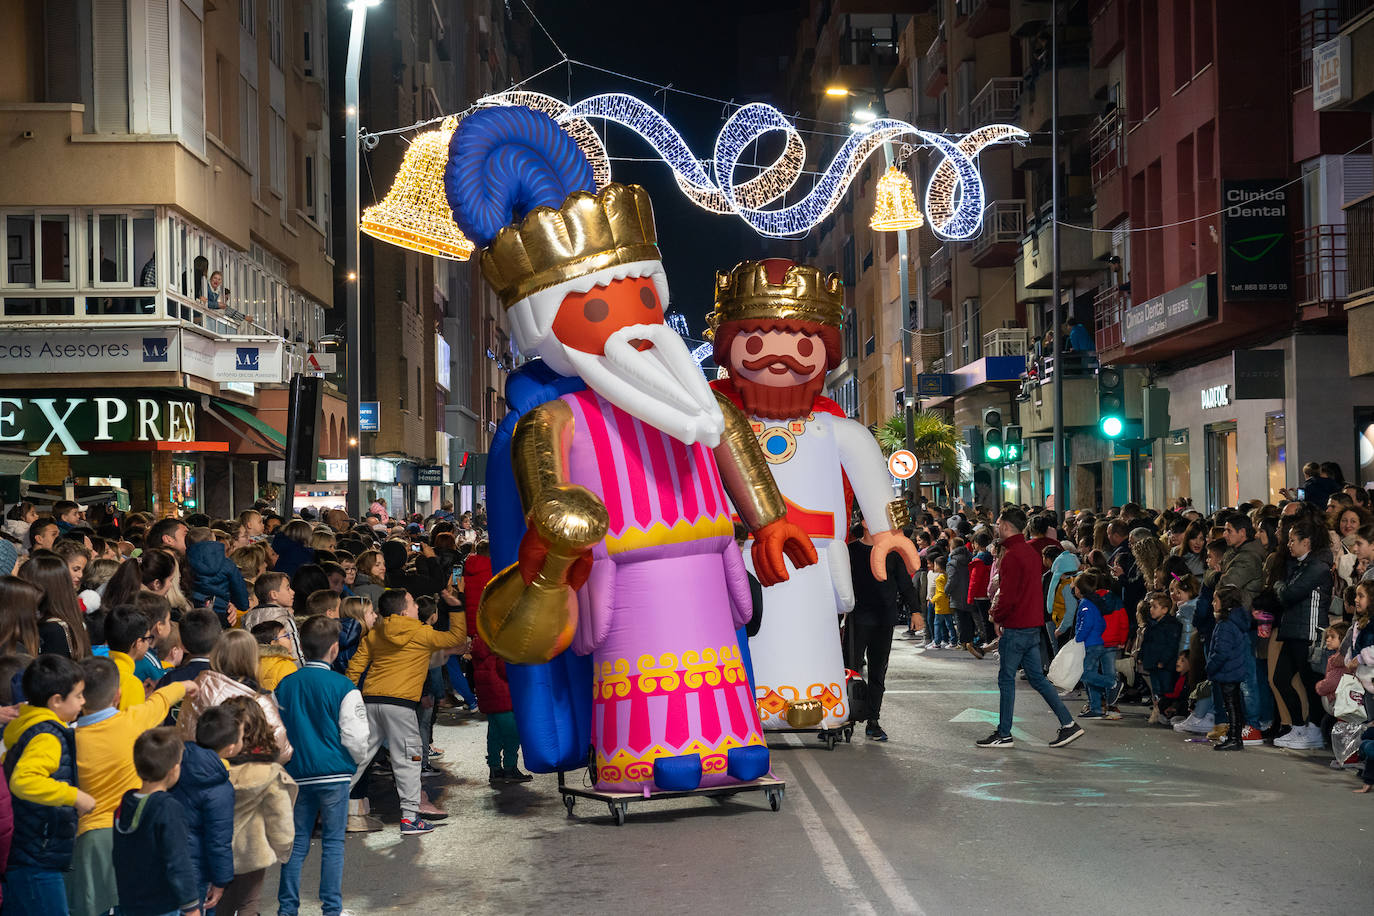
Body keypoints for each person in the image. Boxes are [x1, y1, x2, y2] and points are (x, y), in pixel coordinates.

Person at [68, 656, 193, 916]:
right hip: (134, 829)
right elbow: (160, 700)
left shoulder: (70, 740)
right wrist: (187, 686)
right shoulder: (133, 720)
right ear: (118, 695)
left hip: (89, 838)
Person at [345, 588, 466, 836]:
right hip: (401, 706)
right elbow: (456, 638)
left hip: (371, 702)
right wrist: (456, 608)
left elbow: (355, 668)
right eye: (412, 603)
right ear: (403, 612)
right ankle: (410, 819)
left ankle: (325, 806)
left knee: (359, 758)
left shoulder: (375, 634)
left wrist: (348, 699)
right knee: (409, 761)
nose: (416, 607)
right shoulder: (422, 633)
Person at [275, 616, 370, 916]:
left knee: (296, 843)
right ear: (334, 648)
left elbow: (275, 731)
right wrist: (353, 763)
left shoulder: (284, 686)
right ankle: (331, 909)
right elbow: (357, 737)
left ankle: (287, 909)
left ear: (302, 647)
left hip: (296, 773)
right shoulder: (344, 686)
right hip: (334, 773)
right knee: (333, 843)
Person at [976, 507, 1085, 749]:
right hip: (1032, 624)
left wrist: (997, 617)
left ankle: (1004, 733)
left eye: (998, 524)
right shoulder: (1029, 552)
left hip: (1016, 625)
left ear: (1006, 526)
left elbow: (1008, 595)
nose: (996, 528)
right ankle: (1068, 723)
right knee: (1037, 678)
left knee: (1006, 679)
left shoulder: (1012, 555)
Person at [0, 655, 94, 915]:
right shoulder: (47, 737)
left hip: (25, 852)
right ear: (56, 700)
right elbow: (23, 780)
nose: (83, 701)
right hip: (36, 856)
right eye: (78, 696)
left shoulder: (27, 726)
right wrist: (74, 796)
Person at [218, 696, 297, 916]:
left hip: (217, 847)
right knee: (249, 903)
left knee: (221, 902)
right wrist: (281, 847)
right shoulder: (268, 772)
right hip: (253, 850)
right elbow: (279, 816)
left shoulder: (212, 767)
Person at [111, 728, 202, 916]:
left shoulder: (125, 805)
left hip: (131, 903)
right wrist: (191, 907)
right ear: (173, 770)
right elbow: (178, 862)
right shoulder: (168, 808)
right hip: (162, 906)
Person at [847, 519, 921, 742]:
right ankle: (844, 720)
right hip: (858, 619)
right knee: (849, 669)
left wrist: (916, 611)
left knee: (878, 672)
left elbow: (905, 584)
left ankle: (873, 720)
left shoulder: (892, 552)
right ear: (864, 522)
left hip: (884, 620)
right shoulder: (851, 550)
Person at [170, 707, 240, 913]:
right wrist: (221, 881)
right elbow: (219, 839)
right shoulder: (219, 787)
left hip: (166, 860)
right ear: (230, 748)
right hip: (196, 870)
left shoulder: (176, 764)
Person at [1272, 520, 1332, 750]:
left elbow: (1289, 594)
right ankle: (1298, 726)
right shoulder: (1300, 565)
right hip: (1293, 631)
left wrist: (1279, 586)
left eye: (1292, 540)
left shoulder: (1318, 567)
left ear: (1306, 542)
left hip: (1309, 632)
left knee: (1311, 684)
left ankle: (1314, 730)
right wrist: (1282, 588)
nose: (1288, 544)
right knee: (1280, 679)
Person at [1073, 571, 1127, 720]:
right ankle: (1105, 706)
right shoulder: (1111, 600)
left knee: (1086, 674)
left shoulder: (1088, 602)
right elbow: (1118, 621)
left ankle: (1109, 690)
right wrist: (1122, 640)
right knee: (1103, 672)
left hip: (1092, 643)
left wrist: (1078, 639)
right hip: (1108, 642)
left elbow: (1087, 623)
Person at [1207, 585, 1250, 751]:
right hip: (1234, 669)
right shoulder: (1234, 622)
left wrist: (1210, 667)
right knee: (1234, 704)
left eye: (1215, 600)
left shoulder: (1226, 624)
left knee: (1231, 705)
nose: (1212, 603)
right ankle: (1235, 736)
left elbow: (1221, 651)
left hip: (1228, 670)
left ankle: (1234, 738)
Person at [187, 526, 250, 627]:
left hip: (191, 612)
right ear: (213, 541)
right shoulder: (228, 564)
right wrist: (240, 604)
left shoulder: (184, 563)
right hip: (221, 613)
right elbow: (240, 593)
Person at [104, 606, 150, 710]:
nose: (149, 644)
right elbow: (132, 720)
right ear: (138, 643)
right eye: (148, 638)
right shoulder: (132, 684)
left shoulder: (98, 669)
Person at [251, 620, 299, 690]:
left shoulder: (251, 664)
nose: (290, 639)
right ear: (274, 643)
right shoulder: (286, 666)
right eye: (286, 636)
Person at [929, 555, 953, 649]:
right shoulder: (947, 576)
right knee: (949, 624)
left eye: (935, 565)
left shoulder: (939, 578)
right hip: (947, 604)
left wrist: (932, 600)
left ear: (938, 566)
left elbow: (941, 593)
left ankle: (937, 642)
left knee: (937, 624)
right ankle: (953, 641)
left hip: (940, 606)